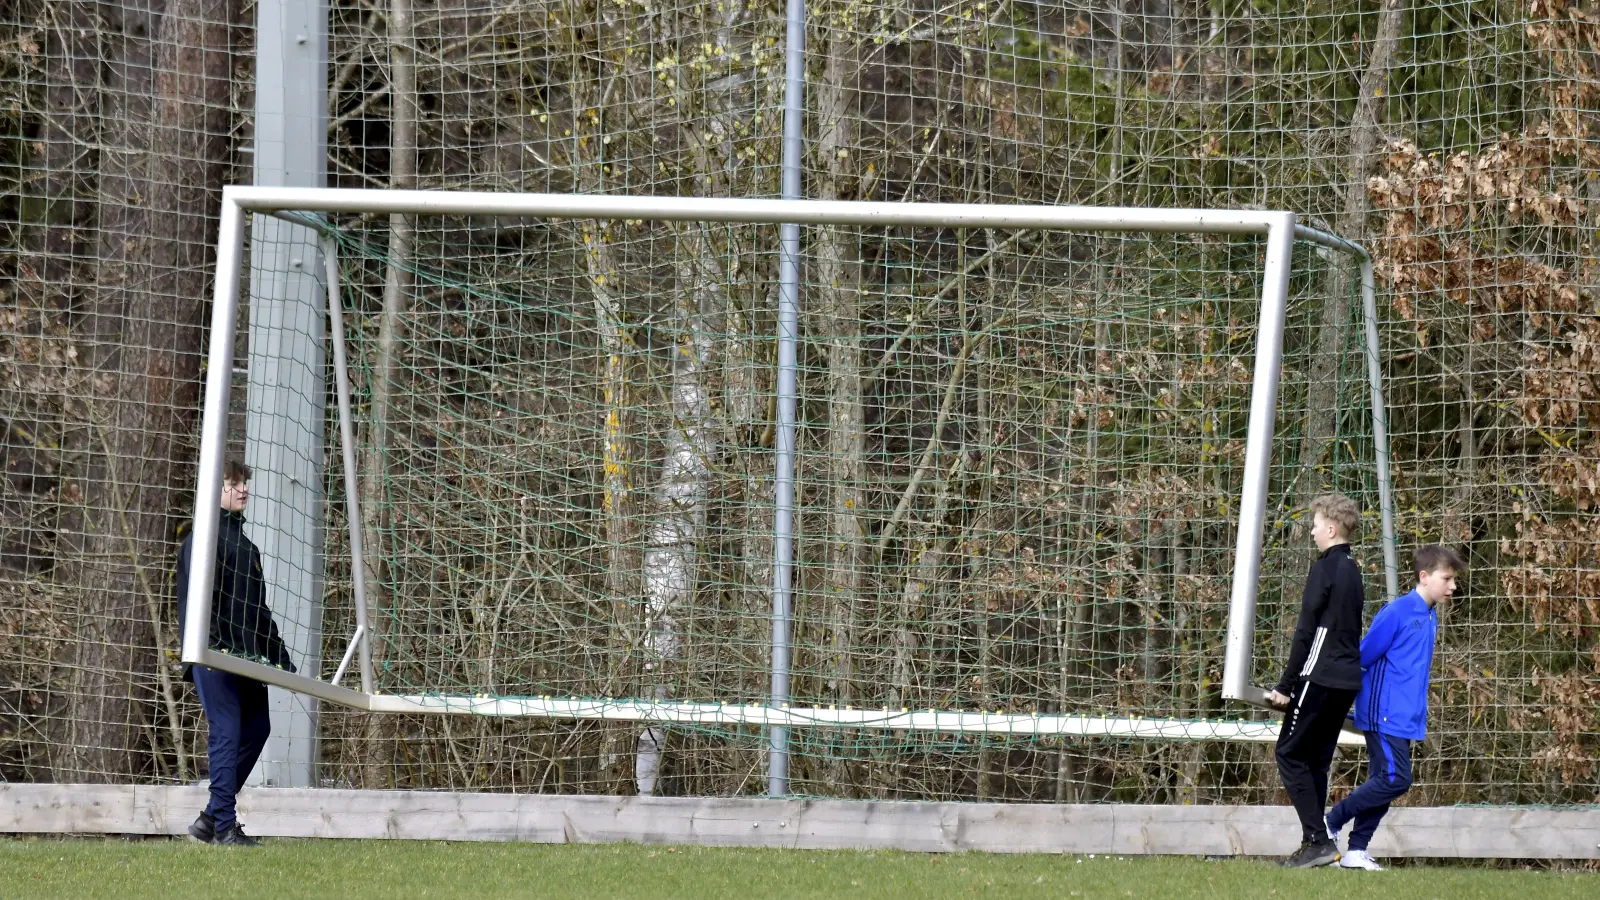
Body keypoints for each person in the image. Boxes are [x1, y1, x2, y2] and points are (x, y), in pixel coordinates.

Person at [175, 459, 296, 847]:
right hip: (213, 657)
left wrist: (281, 659)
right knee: (226, 732)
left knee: (258, 728)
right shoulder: (202, 540)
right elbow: (200, 603)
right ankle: (225, 827)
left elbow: (259, 612)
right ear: (213, 489)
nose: (242, 489)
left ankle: (210, 819)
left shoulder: (247, 547)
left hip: (247, 659)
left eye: (243, 483)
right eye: (231, 483)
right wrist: (210, 648)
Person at [1325, 544, 1464, 871]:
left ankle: (1356, 850)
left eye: (1454, 580)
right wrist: (1339, 700)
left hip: (1405, 717)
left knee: (1383, 781)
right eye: (1447, 579)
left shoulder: (1430, 617)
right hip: (1383, 713)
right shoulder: (1397, 612)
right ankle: (1330, 821)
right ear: (1424, 576)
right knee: (1396, 778)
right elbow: (1362, 658)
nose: (1453, 586)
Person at [1267, 493, 1365, 868]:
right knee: (1318, 761)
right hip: (1346, 681)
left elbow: (1308, 631)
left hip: (1319, 676)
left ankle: (1318, 840)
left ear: (1330, 527)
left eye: (1314, 524)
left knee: (1289, 753)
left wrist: (1287, 684)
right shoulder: (1354, 568)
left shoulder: (1325, 568)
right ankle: (1316, 843)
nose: (1310, 532)